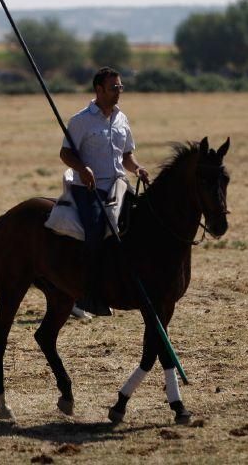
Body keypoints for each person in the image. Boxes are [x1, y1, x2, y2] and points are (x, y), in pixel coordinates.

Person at [60, 67, 150, 316]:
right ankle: (85, 294)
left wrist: (138, 168)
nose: (118, 92)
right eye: (114, 88)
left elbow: (127, 155)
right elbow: (65, 153)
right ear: (98, 90)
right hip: (89, 188)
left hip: (118, 185)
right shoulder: (80, 121)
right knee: (97, 229)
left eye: (120, 87)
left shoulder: (122, 118)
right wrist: (82, 168)